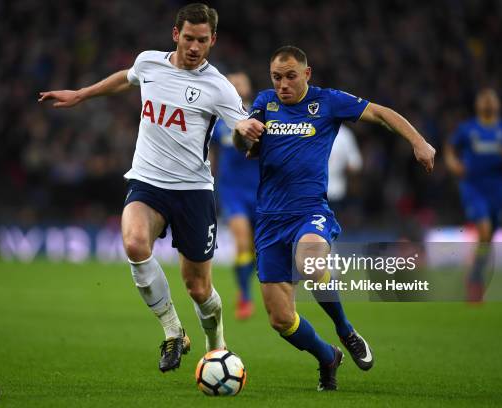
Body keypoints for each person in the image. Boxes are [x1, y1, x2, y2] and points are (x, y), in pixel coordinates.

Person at [39, 3, 249, 372]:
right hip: (147, 181)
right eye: (188, 38)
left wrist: (249, 133)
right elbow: (128, 77)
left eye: (202, 40)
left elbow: (241, 128)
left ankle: (216, 345)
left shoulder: (220, 87)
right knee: (135, 244)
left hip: (194, 190)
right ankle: (172, 332)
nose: (195, 47)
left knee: (198, 289)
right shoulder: (150, 62)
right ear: (175, 34)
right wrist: (82, 94)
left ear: (212, 40)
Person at [233, 46, 435, 391]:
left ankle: (345, 330)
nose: (283, 84)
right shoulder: (264, 103)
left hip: (310, 211)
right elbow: (246, 150)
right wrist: (241, 133)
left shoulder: (328, 102)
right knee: (281, 319)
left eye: (291, 76)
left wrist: (419, 142)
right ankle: (328, 356)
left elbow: (383, 113)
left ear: (307, 74)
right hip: (268, 220)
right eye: (277, 77)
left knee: (310, 262)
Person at [445, 88, 502, 302]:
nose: (488, 102)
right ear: (478, 104)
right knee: (484, 229)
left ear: (498, 104)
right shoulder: (467, 129)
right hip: (473, 187)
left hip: (497, 189)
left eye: (492, 99)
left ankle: (475, 274)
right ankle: (475, 281)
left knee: (488, 238)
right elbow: (450, 149)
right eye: (484, 99)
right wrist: (454, 165)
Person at [210, 72, 258, 320]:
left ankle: (245, 286)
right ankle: (245, 296)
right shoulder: (219, 122)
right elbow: (210, 153)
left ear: (249, 88)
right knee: (241, 243)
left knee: (255, 250)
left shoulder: (261, 118)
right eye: (232, 84)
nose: (237, 87)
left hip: (260, 191)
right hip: (232, 192)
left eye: (241, 82)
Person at [327, 125, 362, 215]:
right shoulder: (310, 128)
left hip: (335, 192)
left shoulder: (345, 135)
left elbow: (355, 165)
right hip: (312, 193)